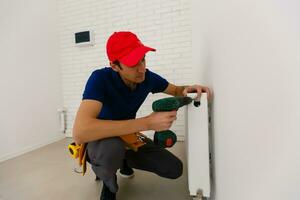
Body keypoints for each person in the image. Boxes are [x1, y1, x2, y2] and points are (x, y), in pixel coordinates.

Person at [72, 31, 212, 200]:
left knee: (173, 169)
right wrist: (147, 123)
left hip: (129, 136)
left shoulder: (147, 78)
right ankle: (108, 180)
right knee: (111, 150)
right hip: (101, 141)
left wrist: (189, 89)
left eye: (143, 59)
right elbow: (80, 132)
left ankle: (122, 161)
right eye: (132, 64)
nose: (141, 68)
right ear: (115, 66)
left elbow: (175, 90)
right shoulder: (100, 79)